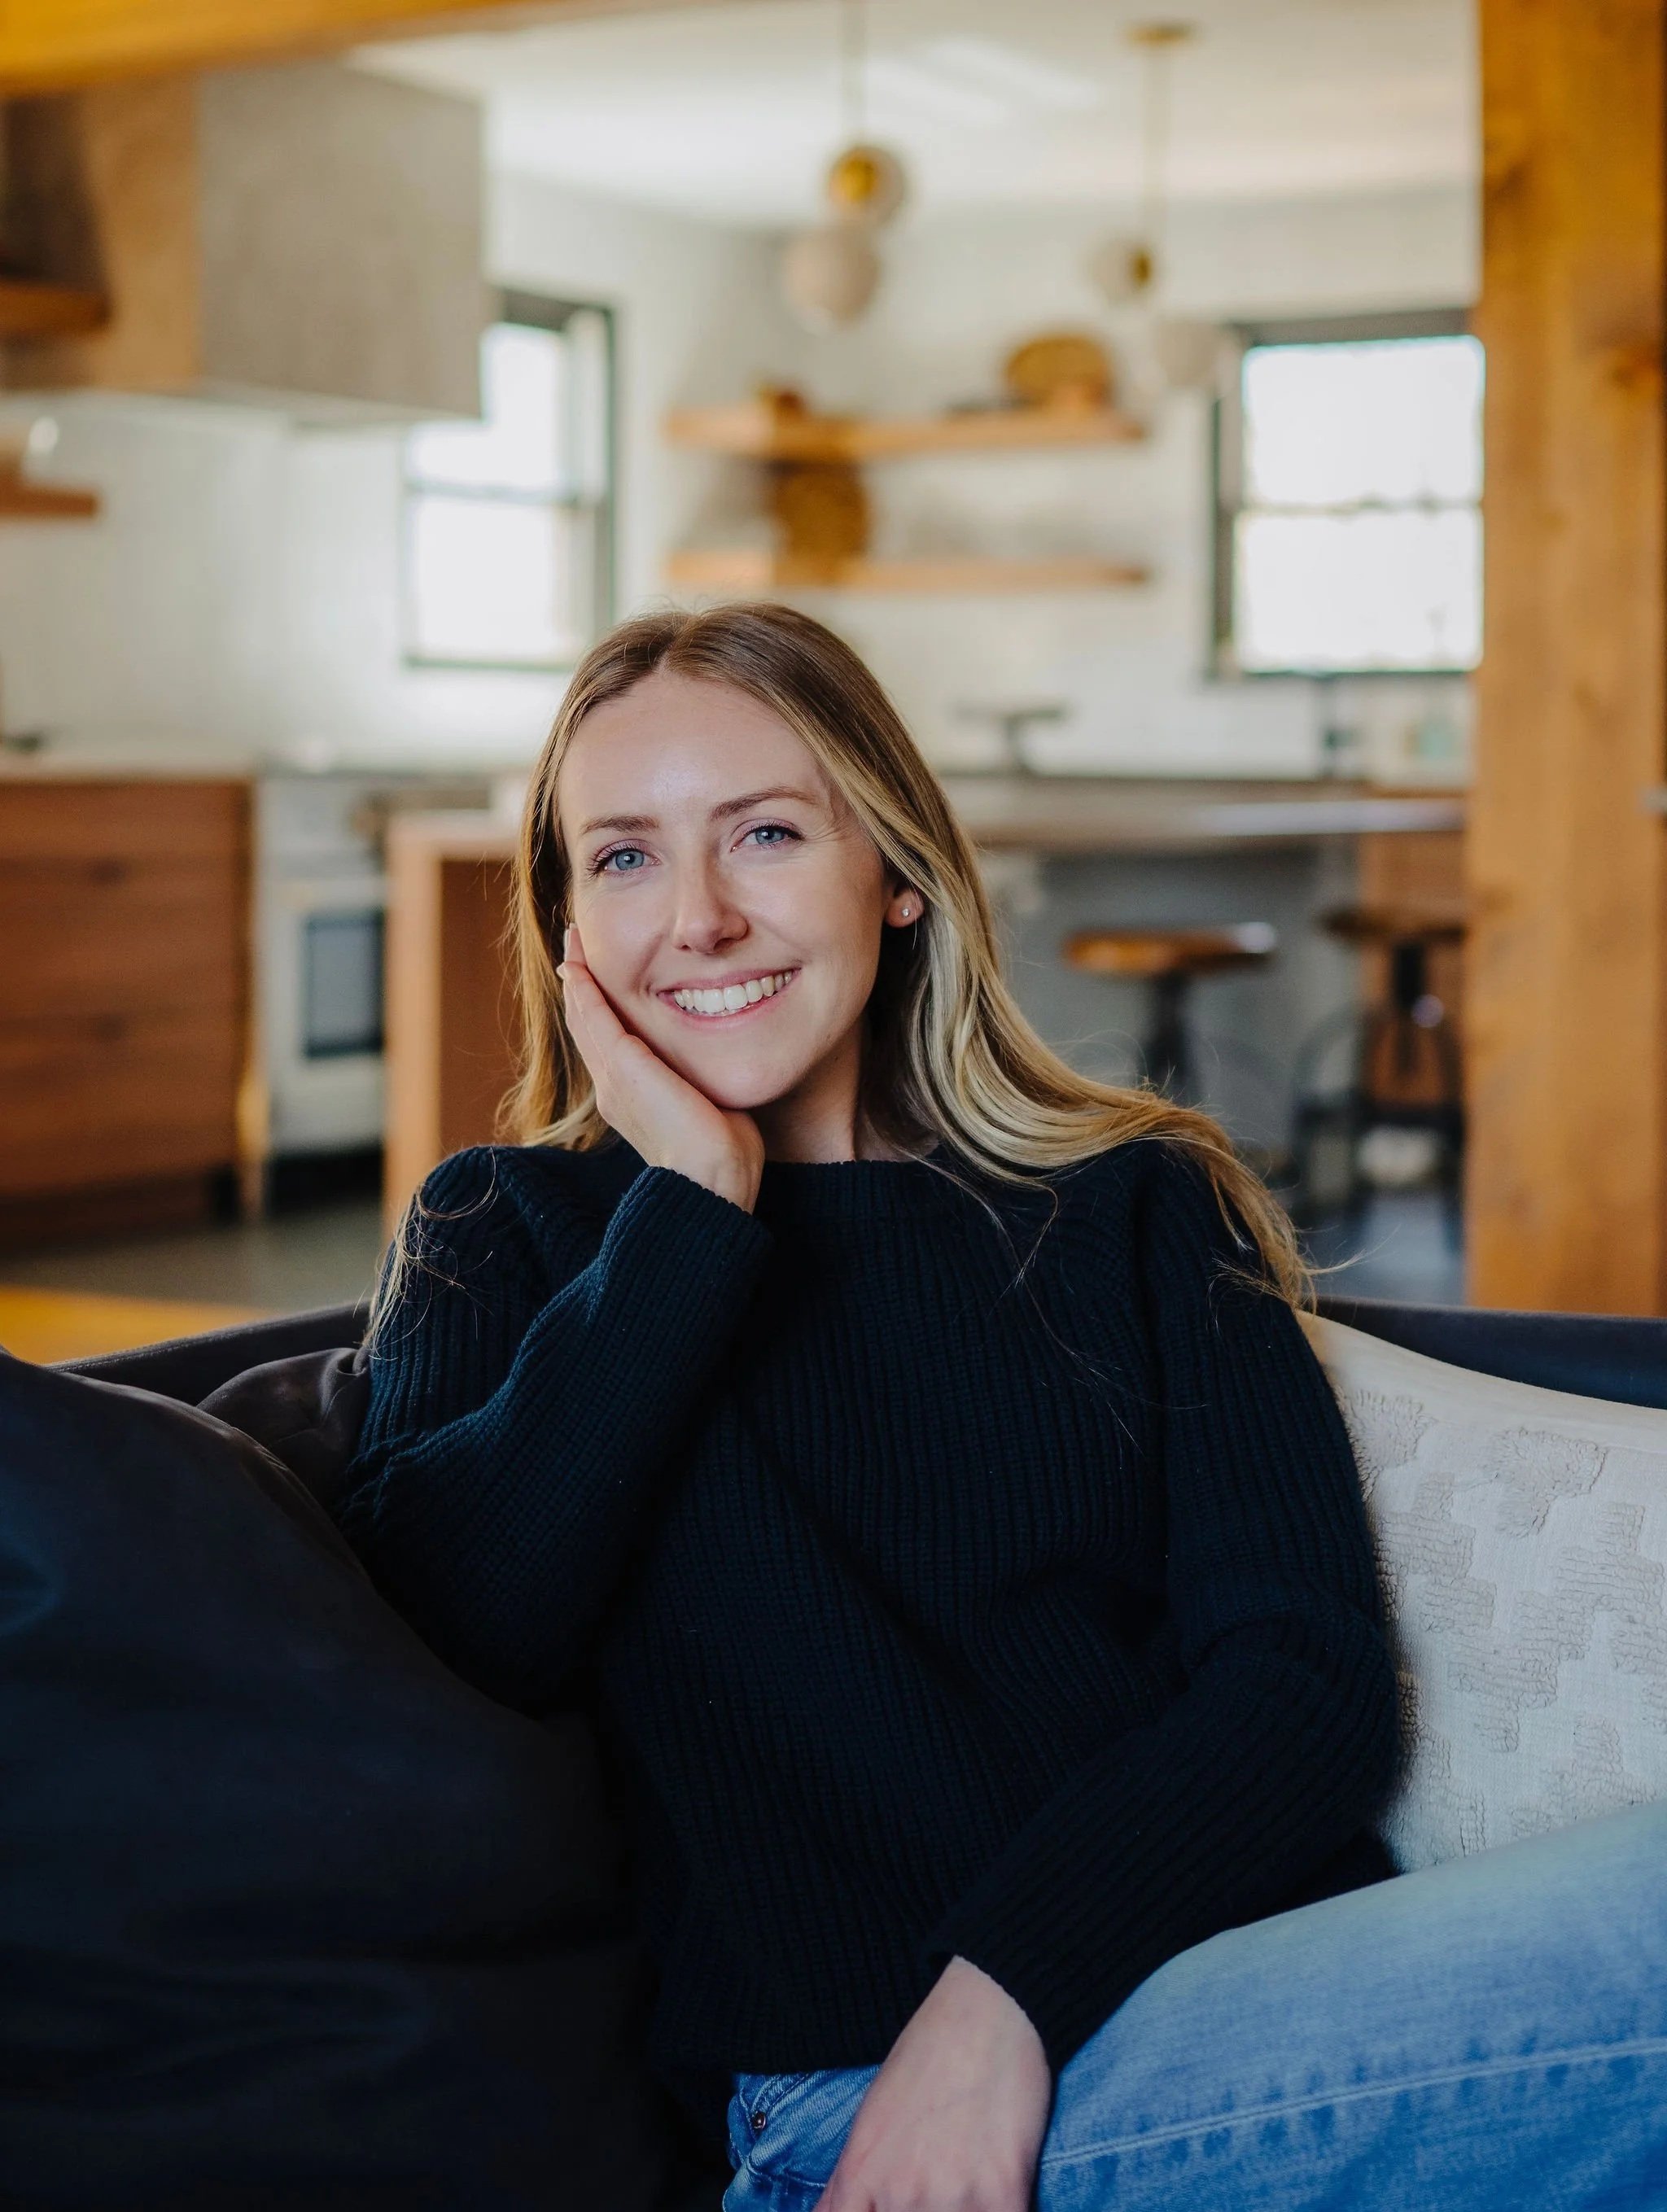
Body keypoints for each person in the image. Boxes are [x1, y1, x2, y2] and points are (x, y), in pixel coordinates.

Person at [339, 603, 1667, 2212]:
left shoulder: (1131, 1202)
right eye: (620, 858)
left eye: (762, 833)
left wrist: (999, 2000)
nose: (693, 916)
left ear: (894, 874)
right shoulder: (508, 1231)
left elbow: (1303, 1680)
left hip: (1202, 2011)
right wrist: (690, 1206)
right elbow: (467, 1623)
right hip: (850, 2105)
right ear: (562, 924)